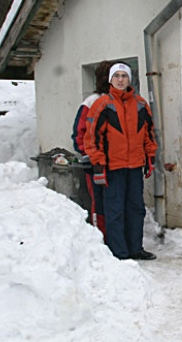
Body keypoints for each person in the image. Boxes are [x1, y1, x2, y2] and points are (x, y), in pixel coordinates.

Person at [84, 62, 158, 261]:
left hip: (134, 167)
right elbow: (91, 138)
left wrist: (150, 159)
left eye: (123, 76)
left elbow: (149, 136)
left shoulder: (141, 105)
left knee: (136, 209)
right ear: (110, 80)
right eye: (116, 76)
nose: (120, 79)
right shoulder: (102, 105)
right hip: (112, 168)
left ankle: (135, 248)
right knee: (114, 210)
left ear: (129, 79)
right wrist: (98, 165)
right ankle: (119, 252)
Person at [71, 60, 113, 237]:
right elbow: (79, 134)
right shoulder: (92, 102)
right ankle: (101, 238)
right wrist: (88, 156)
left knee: (117, 203)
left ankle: (118, 240)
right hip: (99, 163)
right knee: (100, 202)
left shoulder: (122, 101)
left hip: (120, 162)